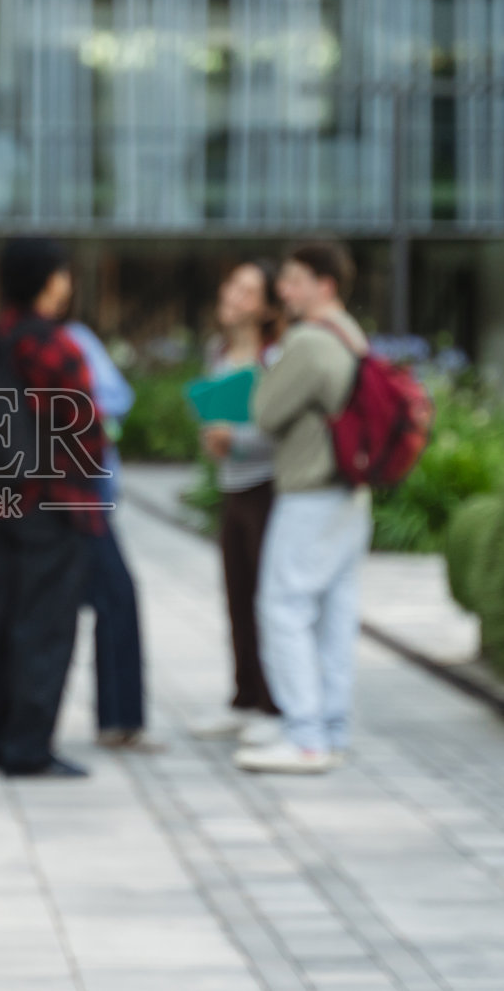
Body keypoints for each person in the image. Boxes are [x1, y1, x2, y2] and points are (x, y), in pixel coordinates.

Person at [0, 238, 109, 779]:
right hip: (49, 502)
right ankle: (28, 747)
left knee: (1, 613)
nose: (67, 285)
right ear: (48, 280)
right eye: (62, 275)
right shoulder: (54, 345)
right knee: (45, 623)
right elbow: (86, 429)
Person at [237, 242, 372, 774]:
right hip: (350, 491)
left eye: (294, 280)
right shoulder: (352, 335)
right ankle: (332, 730)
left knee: (283, 607)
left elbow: (265, 412)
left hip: (310, 491)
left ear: (325, 285)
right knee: (337, 613)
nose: (284, 291)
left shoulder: (311, 342)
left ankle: (305, 737)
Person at [192, 260, 284, 744]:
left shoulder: (276, 358)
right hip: (232, 487)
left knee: (270, 598)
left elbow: (284, 429)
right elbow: (216, 413)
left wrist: (239, 441)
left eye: (248, 290)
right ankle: (245, 697)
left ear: (268, 305)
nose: (233, 294)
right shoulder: (220, 351)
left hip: (268, 486)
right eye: (232, 284)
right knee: (237, 594)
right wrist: (213, 435)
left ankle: (275, 703)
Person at [60, 316, 153, 752]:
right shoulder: (66, 340)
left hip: (65, 493)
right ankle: (120, 722)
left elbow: (115, 397)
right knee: (116, 597)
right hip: (78, 495)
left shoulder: (60, 338)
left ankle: (119, 721)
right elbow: (114, 398)